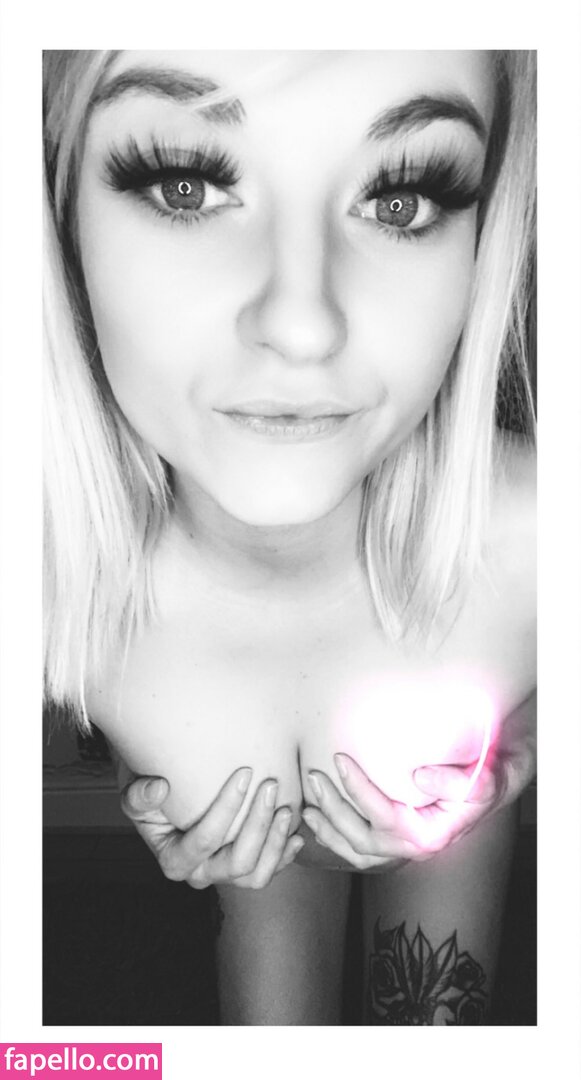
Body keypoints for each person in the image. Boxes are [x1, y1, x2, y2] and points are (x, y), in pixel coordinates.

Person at [43, 49, 536, 1025]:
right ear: (59, 218)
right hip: (260, 871)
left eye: (400, 199)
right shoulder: (56, 585)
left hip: (450, 834)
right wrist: (158, 793)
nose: (303, 327)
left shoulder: (536, 540)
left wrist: (512, 758)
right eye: (185, 185)